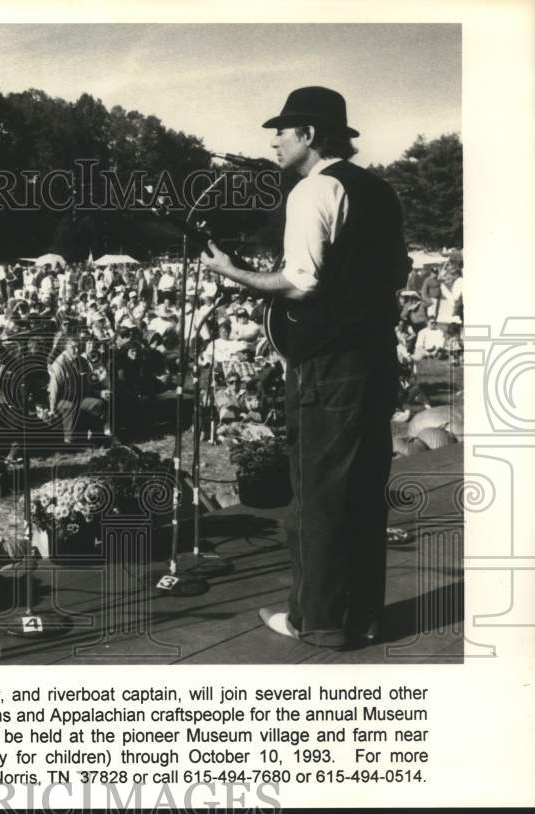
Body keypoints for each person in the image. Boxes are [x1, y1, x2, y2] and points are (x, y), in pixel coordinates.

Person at [202, 86, 405, 648]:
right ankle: (361, 615)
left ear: (309, 135)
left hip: (328, 365)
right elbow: (393, 268)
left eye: (283, 130)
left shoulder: (314, 190)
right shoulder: (380, 190)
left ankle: (317, 622)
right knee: (364, 492)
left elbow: (301, 282)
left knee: (318, 496)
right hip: (375, 358)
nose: (274, 139)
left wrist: (232, 273)